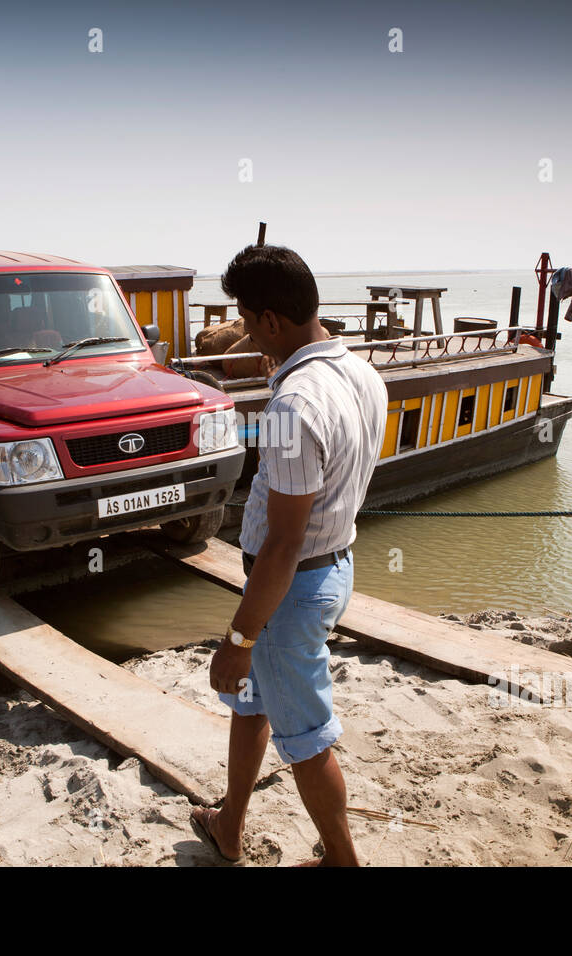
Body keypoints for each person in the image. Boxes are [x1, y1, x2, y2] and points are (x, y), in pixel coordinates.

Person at [190, 244, 387, 866]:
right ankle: (231, 823)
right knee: (253, 706)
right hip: (329, 567)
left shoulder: (290, 407)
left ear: (272, 321)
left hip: (290, 589)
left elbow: (283, 541)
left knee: (304, 736)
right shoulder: (361, 374)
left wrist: (240, 638)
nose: (245, 332)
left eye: (247, 319)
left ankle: (340, 859)